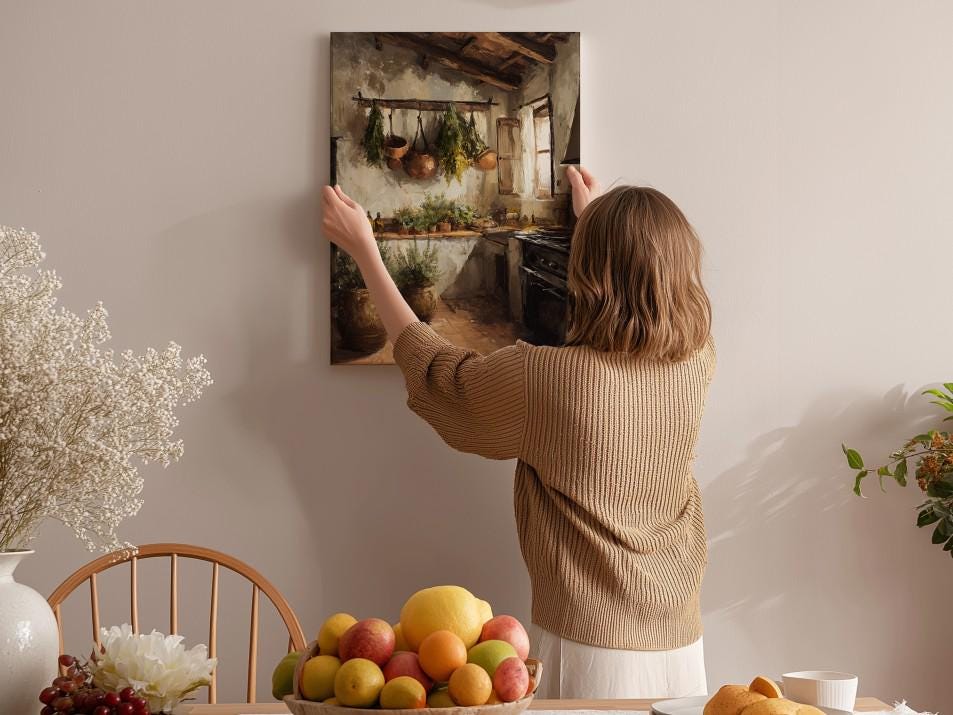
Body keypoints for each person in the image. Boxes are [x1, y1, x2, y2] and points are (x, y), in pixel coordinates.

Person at [321, 167, 715, 699]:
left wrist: (365, 250)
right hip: (682, 643)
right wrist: (596, 224)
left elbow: (438, 372)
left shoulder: (547, 379)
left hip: (589, 646)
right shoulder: (698, 360)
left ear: (589, 272)